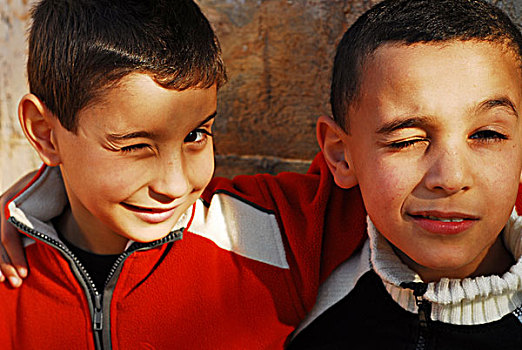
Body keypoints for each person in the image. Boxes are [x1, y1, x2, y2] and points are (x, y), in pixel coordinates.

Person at [0, 0, 367, 349]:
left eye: (195, 135)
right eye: (134, 145)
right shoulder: (9, 277)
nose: (174, 185)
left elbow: (384, 180)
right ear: (45, 133)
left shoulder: (273, 229)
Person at [287, 0, 522, 348]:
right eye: (407, 141)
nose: (451, 177)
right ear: (341, 155)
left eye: (487, 135)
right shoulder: (303, 307)